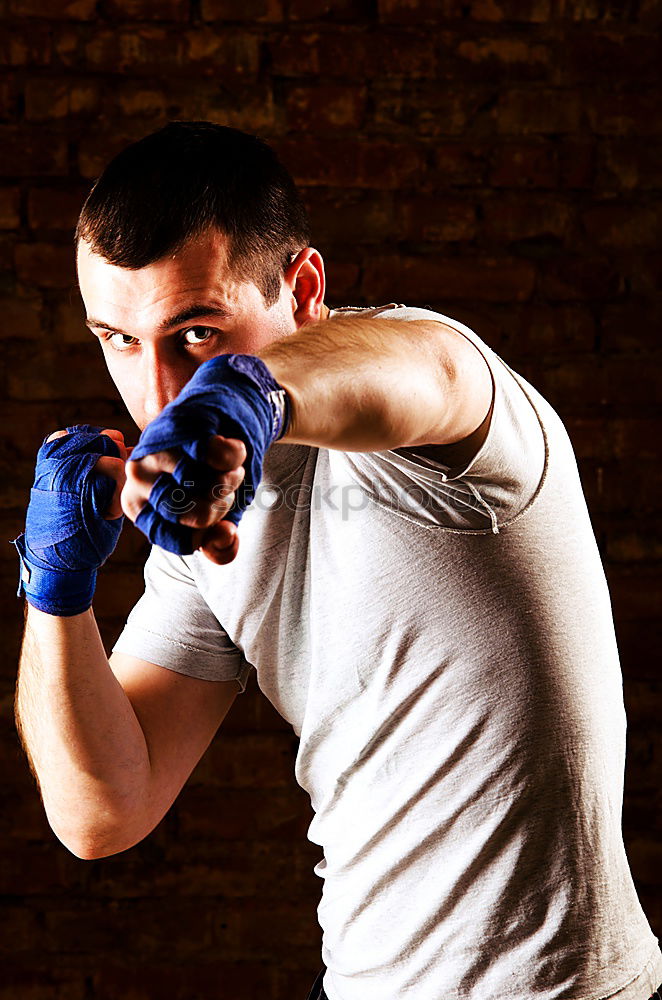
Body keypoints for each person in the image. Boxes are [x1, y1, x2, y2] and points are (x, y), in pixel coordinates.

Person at [12, 121, 662, 1000]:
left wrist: (250, 396)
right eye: (120, 340)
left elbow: (422, 373)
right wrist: (55, 591)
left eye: (198, 333)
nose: (159, 391)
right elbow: (102, 812)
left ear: (303, 287)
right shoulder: (203, 522)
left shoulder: (443, 408)